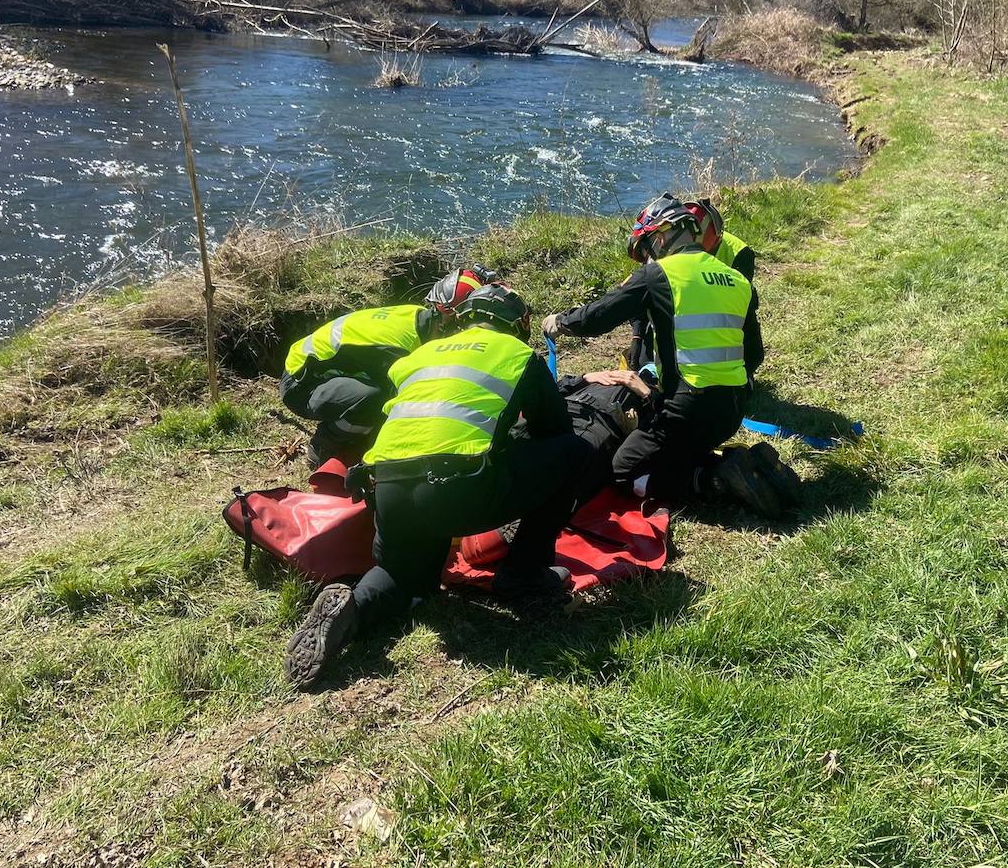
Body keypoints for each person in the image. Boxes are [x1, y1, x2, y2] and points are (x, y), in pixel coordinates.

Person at [285, 284, 586, 688]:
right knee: (573, 453)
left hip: (387, 485)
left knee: (402, 575)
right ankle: (526, 574)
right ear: (517, 325)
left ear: (461, 319)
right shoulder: (517, 355)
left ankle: (353, 607)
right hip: (456, 487)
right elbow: (553, 432)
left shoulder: (418, 356)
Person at [543, 193, 781, 513]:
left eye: (648, 247)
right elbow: (754, 355)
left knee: (624, 470)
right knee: (675, 444)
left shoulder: (659, 275)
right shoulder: (738, 280)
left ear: (663, 234)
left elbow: (599, 316)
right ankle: (740, 465)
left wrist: (560, 322)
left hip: (688, 409)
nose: (648, 258)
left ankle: (712, 480)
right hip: (733, 409)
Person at [279, 265, 496, 466]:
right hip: (303, 384)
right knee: (377, 399)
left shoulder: (416, 317)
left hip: (320, 370)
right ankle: (324, 445)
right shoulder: (397, 348)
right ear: (449, 322)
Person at [627, 196, 758, 371]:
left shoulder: (739, 253)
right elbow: (639, 293)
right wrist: (637, 337)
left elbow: (737, 309)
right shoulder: (666, 244)